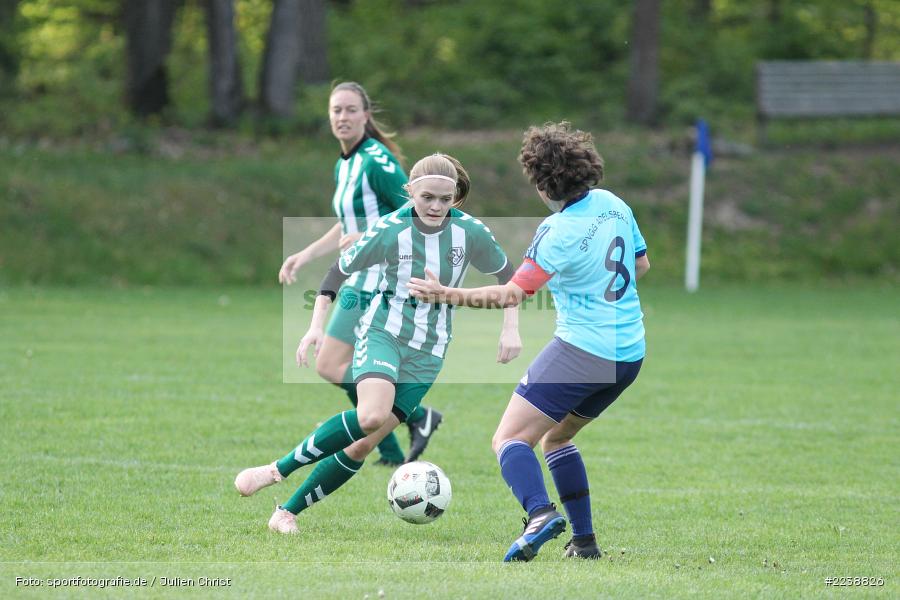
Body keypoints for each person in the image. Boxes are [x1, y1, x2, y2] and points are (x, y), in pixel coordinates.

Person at [236, 153, 522, 533]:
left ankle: (285, 513)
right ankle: (275, 470)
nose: (436, 206)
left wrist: (510, 328)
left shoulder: (471, 232)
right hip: (382, 333)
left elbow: (512, 281)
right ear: (410, 192)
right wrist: (315, 326)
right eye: (427, 198)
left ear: (456, 194)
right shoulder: (390, 228)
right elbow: (337, 272)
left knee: (363, 444)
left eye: (445, 198)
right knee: (370, 415)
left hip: (429, 352)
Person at [408, 121, 650, 562]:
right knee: (556, 439)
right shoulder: (615, 204)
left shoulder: (556, 231)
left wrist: (446, 294)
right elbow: (643, 265)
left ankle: (540, 514)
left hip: (583, 351)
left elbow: (510, 294)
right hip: (629, 353)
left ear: (542, 183)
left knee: (509, 439)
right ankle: (584, 543)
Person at [278, 81, 443, 465]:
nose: (343, 117)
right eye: (336, 110)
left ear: (366, 116)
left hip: (383, 279)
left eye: (351, 109)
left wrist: (368, 236)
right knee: (333, 365)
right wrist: (305, 254)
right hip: (361, 277)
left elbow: (417, 212)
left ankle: (413, 416)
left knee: (330, 363)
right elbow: (347, 224)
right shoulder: (345, 163)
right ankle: (398, 441)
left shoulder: (377, 160)